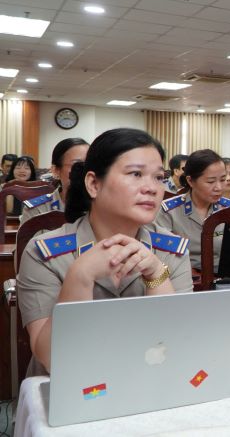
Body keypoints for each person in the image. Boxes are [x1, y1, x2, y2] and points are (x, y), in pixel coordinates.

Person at [16, 128, 192, 374]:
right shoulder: (44, 253)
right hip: (68, 385)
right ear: (93, 184)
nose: (152, 188)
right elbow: (51, 358)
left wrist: (156, 275)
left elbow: (176, 343)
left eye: (158, 177)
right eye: (136, 174)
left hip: (145, 378)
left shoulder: (171, 250)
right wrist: (80, 276)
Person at [155, 149, 230, 271]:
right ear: (190, 181)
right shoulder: (169, 212)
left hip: (222, 276)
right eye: (211, 181)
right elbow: (161, 256)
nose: (218, 187)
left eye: (223, 180)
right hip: (180, 275)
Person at [20, 138, 89, 224]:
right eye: (77, 165)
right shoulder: (38, 209)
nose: (86, 170)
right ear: (56, 171)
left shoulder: (100, 206)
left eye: (89, 164)